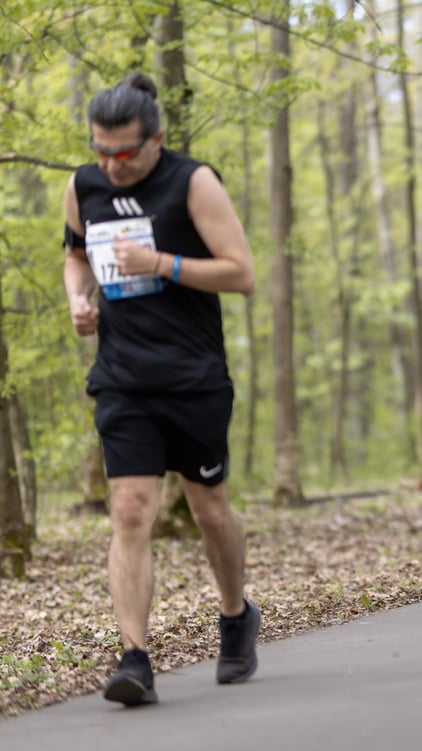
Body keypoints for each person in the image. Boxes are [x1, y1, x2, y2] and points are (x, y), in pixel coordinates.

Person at [62, 73, 259, 707]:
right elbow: (73, 254)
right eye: (100, 150)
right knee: (129, 511)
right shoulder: (83, 185)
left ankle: (236, 616)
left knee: (208, 509)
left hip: (193, 377)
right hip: (122, 379)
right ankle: (134, 659)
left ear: (156, 140)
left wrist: (163, 265)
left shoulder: (192, 181)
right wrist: (78, 299)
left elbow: (240, 273)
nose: (110, 165)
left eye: (124, 152)